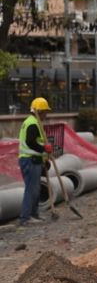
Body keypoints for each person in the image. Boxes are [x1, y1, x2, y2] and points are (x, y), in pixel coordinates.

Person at [17, 97, 53, 226]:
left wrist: (44, 157)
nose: (46, 114)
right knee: (31, 189)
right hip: (29, 160)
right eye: (45, 112)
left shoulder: (33, 121)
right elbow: (30, 142)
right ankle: (25, 217)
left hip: (34, 160)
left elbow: (35, 142)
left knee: (35, 189)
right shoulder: (32, 123)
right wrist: (44, 148)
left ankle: (34, 214)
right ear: (40, 111)